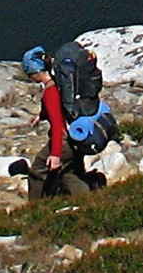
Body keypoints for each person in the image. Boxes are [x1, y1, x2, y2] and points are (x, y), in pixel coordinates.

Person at [15, 44, 111, 196]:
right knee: (69, 173)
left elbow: (57, 123)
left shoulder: (50, 92)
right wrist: (41, 116)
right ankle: (88, 197)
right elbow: (60, 109)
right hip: (77, 135)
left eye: (29, 74)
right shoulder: (60, 83)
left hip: (64, 141)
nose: (29, 77)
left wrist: (55, 154)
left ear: (35, 72)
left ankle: (35, 206)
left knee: (37, 171)